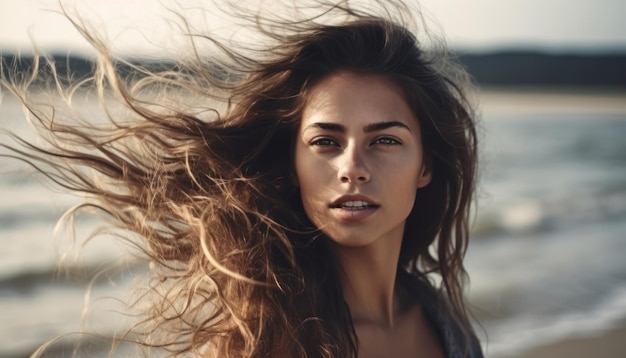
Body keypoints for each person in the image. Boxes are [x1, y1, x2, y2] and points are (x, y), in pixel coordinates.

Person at [2, 0, 481, 357]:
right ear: (292, 165)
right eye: (325, 142)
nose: (351, 166)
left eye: (385, 141)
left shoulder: (446, 323)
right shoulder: (261, 341)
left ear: (426, 166)